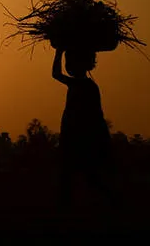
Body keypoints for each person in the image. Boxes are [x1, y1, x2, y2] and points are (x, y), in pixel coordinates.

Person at [52, 48, 116, 208]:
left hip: (80, 136)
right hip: (79, 135)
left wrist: (59, 52)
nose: (69, 67)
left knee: (77, 173)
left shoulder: (82, 86)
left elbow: (56, 74)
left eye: (70, 64)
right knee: (81, 174)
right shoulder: (86, 85)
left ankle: (111, 200)